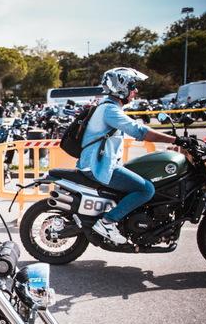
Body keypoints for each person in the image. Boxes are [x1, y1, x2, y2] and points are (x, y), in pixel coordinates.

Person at [77, 67, 186, 245]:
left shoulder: (108, 107)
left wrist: (168, 135)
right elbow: (139, 131)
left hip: (101, 163)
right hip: (98, 166)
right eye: (132, 86)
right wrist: (175, 139)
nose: (135, 90)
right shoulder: (110, 110)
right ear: (120, 88)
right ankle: (107, 222)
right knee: (146, 189)